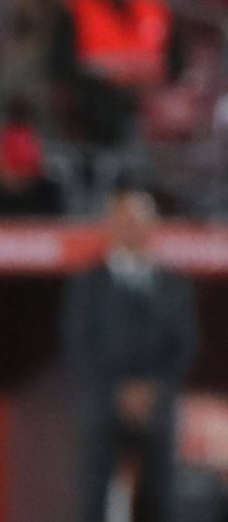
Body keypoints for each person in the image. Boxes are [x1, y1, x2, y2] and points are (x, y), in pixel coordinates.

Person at [63, 187, 198, 522]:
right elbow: (78, 344)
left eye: (140, 221)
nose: (133, 228)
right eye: (125, 220)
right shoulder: (88, 283)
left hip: (157, 405)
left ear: (153, 226)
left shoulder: (174, 284)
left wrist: (152, 389)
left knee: (158, 499)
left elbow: (185, 345)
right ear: (111, 224)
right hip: (102, 403)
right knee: (93, 498)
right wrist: (119, 391)